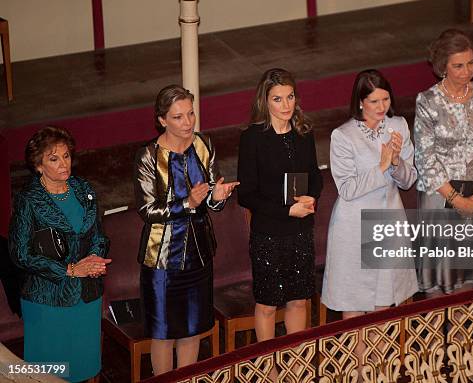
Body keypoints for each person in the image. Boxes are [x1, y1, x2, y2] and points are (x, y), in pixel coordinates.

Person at [134, 85, 238, 375]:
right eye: (178, 117)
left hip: (199, 253)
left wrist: (217, 198)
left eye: (191, 114)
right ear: (162, 120)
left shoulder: (203, 145)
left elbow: (209, 202)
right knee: (164, 333)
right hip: (162, 259)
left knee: (193, 329)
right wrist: (187, 203)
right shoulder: (148, 157)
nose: (188, 122)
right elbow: (147, 211)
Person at [9, 125, 111, 383]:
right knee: (51, 373)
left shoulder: (83, 188)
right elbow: (20, 255)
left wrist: (95, 260)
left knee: (88, 365)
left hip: (86, 295)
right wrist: (71, 270)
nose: (63, 164)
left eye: (66, 156)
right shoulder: (28, 200)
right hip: (47, 299)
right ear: (38, 165)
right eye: (53, 159)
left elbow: (99, 235)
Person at [321, 69, 418, 317]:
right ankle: (359, 358)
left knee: (383, 307)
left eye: (385, 99)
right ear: (361, 101)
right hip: (354, 226)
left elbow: (409, 180)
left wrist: (396, 162)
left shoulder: (398, 126)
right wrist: (382, 166)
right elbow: (347, 188)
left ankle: (379, 358)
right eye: (374, 101)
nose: (381, 106)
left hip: (387, 225)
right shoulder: (343, 135)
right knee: (354, 303)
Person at [413, 29, 473, 294]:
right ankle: (440, 334)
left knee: (470, 274)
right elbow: (425, 160)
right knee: (439, 278)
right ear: (442, 67)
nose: (466, 71)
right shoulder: (428, 101)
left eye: (471, 63)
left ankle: (465, 334)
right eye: (458, 66)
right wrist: (457, 200)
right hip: (440, 196)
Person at [237, 68, 322, 342]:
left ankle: (294, 365)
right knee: (267, 306)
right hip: (269, 234)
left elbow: (315, 175)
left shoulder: (303, 132)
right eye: (278, 99)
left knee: (298, 301)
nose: (286, 105)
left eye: (290, 97)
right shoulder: (252, 138)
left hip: (300, 231)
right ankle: (269, 369)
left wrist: (312, 196)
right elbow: (246, 195)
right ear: (265, 101)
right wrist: (287, 210)